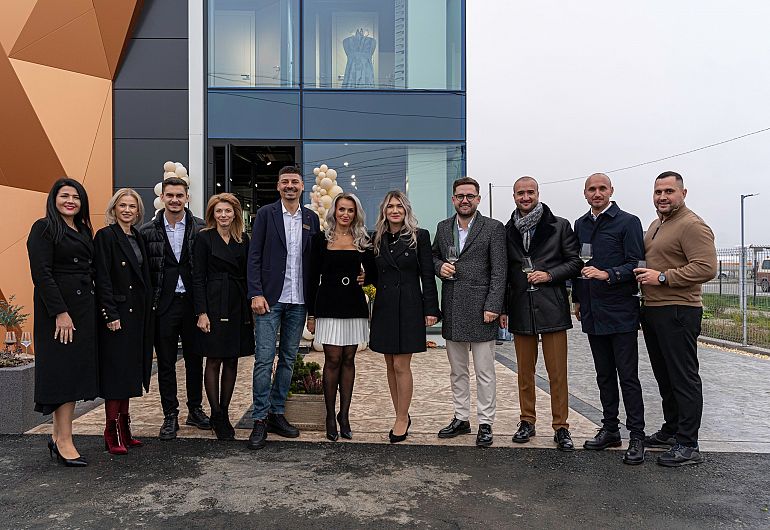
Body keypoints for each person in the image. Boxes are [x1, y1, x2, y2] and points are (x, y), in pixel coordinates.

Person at [634, 171, 717, 467]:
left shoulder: (692, 225)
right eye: (658, 192)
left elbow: (706, 268)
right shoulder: (656, 224)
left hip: (679, 310)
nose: (662, 197)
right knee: (665, 376)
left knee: (683, 377)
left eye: (669, 191)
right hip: (654, 310)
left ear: (683, 193)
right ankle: (672, 430)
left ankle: (688, 443)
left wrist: (663, 277)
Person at [501, 176, 582, 451]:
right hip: (520, 307)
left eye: (530, 192)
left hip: (552, 307)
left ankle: (561, 426)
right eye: (520, 193)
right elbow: (505, 273)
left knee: (557, 373)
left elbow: (575, 263)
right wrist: (503, 308)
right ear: (514, 196)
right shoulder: (507, 230)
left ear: (538, 193)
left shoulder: (560, 225)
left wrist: (549, 275)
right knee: (524, 372)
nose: (525, 197)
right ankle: (527, 421)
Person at [572, 174, 646, 465]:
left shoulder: (628, 222)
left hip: (621, 311)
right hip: (593, 312)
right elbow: (579, 266)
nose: (597, 193)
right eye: (592, 189)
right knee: (603, 375)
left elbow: (637, 264)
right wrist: (578, 299)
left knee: (628, 377)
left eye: (602, 188)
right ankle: (611, 429)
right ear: (585, 193)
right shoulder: (581, 224)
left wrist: (608, 274)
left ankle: (637, 436)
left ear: (611, 191)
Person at [247, 166, 320, 450]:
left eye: (295, 182)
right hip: (269, 300)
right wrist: (256, 292)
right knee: (264, 360)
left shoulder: (311, 218)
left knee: (289, 359)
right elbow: (254, 255)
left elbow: (315, 262)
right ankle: (259, 418)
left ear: (302, 186)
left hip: (298, 300)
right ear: (278, 186)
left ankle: (277, 413)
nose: (290, 186)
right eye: (285, 182)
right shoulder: (266, 214)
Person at [27, 178, 98, 467]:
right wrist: (60, 312)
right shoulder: (43, 228)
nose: (70, 201)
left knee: (72, 372)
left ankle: (58, 436)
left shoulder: (83, 229)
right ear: (54, 199)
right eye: (64, 195)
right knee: (62, 374)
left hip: (83, 310)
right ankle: (65, 440)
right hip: (58, 314)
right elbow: (41, 274)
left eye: (76, 197)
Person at [432, 177, 507, 447]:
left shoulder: (493, 228)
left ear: (478, 199)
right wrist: (439, 267)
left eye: (470, 196)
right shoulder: (443, 228)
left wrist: (493, 305)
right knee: (458, 371)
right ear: (453, 199)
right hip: (453, 307)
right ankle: (461, 418)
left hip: (482, 309)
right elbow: (432, 257)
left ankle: (485, 422)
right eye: (460, 196)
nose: (465, 200)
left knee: (485, 372)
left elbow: (500, 270)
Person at [140, 176, 210, 440]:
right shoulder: (147, 231)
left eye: (179, 195)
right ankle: (170, 414)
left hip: (193, 304)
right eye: (170, 195)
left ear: (187, 198)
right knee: (166, 363)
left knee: (195, 361)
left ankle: (195, 410)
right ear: (162, 198)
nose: (174, 200)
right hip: (163, 306)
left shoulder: (201, 228)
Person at [369, 190, 440, 443]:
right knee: (390, 364)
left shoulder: (419, 236)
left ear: (406, 210)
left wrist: (431, 309)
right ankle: (400, 412)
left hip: (410, 305)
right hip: (385, 306)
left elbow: (427, 275)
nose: (395, 210)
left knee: (401, 364)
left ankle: (401, 418)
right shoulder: (376, 238)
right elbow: (372, 275)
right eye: (390, 207)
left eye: (399, 206)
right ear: (384, 211)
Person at [307, 193, 376, 441]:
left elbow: (375, 273)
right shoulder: (320, 239)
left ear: (356, 213)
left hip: (354, 305)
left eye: (350, 210)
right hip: (328, 305)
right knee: (332, 360)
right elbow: (311, 278)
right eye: (342, 209)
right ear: (334, 212)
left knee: (349, 359)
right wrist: (311, 314)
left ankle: (344, 416)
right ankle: (329, 415)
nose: (345, 214)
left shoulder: (363, 239)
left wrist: (366, 278)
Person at [94, 189, 154, 455]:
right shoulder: (105, 236)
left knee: (129, 374)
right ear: (114, 209)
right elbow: (102, 277)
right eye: (123, 205)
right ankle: (111, 431)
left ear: (138, 211)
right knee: (117, 375)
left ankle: (125, 429)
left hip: (137, 315)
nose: (127, 210)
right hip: (118, 316)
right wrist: (110, 314)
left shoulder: (138, 237)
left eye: (132, 206)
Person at [193, 193, 254, 441]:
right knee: (214, 358)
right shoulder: (203, 238)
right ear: (212, 214)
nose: (223, 215)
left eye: (228, 211)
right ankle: (216, 413)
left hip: (237, 303)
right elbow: (197, 277)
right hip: (213, 302)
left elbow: (249, 273)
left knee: (232, 359)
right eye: (219, 211)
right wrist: (201, 312)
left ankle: (225, 412)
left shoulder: (243, 239)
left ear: (235, 213)